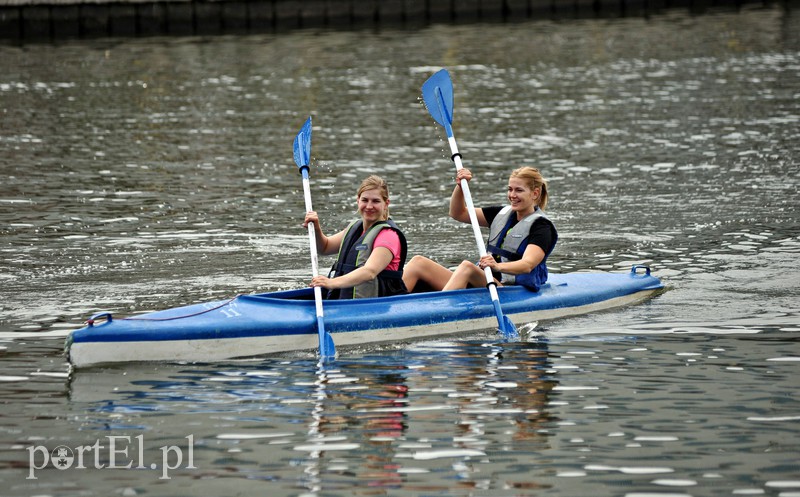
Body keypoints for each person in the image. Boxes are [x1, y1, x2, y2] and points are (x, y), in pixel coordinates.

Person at [402, 166, 557, 293]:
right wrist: (461, 186)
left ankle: (437, 310)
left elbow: (527, 264)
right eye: (510, 189)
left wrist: (497, 266)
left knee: (467, 268)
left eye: (519, 190)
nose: (512, 195)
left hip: (512, 291)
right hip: (485, 281)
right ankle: (385, 306)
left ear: (535, 193)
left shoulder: (542, 227)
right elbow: (458, 213)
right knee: (418, 262)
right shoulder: (501, 213)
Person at [304, 174, 408, 299]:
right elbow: (324, 248)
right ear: (358, 200)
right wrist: (316, 228)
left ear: (386, 204)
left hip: (375, 304)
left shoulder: (388, 236)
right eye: (365, 200)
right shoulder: (355, 229)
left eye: (376, 201)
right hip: (345, 300)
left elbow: (370, 272)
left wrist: (331, 283)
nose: (369, 206)